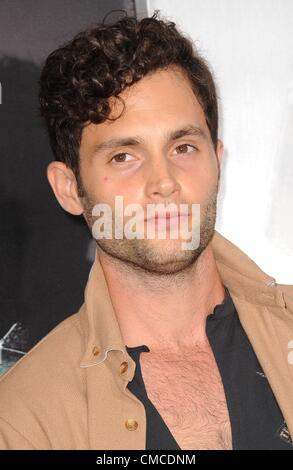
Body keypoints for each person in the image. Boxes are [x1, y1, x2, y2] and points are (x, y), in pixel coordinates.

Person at [0, 11, 292, 451]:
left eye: (183, 147)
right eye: (123, 156)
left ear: (216, 160)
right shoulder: (24, 420)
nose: (164, 181)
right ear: (69, 189)